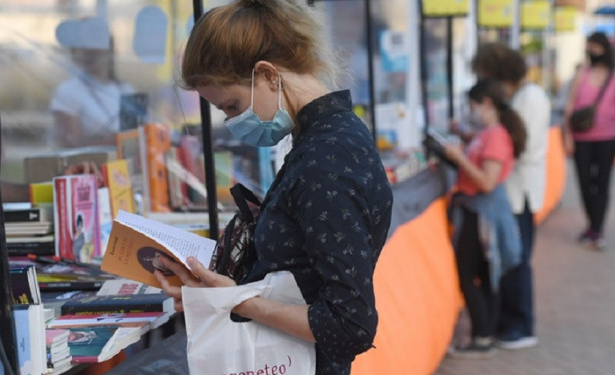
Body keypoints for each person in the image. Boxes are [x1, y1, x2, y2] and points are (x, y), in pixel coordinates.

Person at [153, 1, 394, 373]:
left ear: (267, 74)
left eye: (231, 106)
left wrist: (236, 301)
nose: (233, 121)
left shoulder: (326, 159)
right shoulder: (326, 139)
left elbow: (350, 325)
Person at [471, 43, 550, 349]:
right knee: (509, 256)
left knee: (516, 258)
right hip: (512, 190)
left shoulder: (530, 98)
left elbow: (516, 145)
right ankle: (510, 321)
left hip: (520, 191)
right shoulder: (521, 96)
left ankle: (520, 324)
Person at [444, 78, 527, 359]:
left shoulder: (497, 136)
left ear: (487, 104)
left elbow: (487, 182)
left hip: (482, 214)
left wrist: (459, 158)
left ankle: (482, 336)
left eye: (474, 105)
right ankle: (485, 333)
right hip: (476, 212)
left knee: (470, 277)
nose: (473, 110)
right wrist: (465, 138)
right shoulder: (489, 132)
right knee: (481, 275)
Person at [563, 32, 615, 250]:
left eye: (597, 47)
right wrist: (567, 136)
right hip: (582, 136)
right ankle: (592, 223)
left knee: (602, 182)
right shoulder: (581, 73)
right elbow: (569, 106)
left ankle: (596, 228)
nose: (594, 51)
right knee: (584, 181)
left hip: (609, 136)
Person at [50, 16, 134, 148]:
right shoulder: (68, 91)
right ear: (75, 50)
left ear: (110, 47)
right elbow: (69, 146)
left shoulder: (126, 90)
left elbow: (134, 142)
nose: (90, 51)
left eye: (96, 42)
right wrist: (114, 140)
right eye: (83, 44)